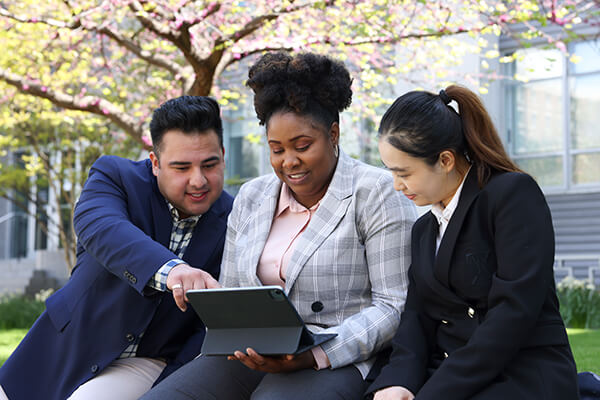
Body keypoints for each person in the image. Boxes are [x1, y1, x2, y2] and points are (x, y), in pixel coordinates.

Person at [141, 52, 417, 400]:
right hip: (250, 353)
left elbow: (394, 306)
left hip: (336, 354)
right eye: (276, 149)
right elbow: (234, 295)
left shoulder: (375, 192)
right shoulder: (252, 197)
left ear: (334, 133)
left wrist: (312, 355)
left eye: (303, 146)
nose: (289, 161)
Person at [0, 96, 234, 400]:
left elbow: (215, 323)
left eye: (210, 164)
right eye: (181, 167)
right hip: (63, 348)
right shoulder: (115, 177)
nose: (198, 180)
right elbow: (101, 227)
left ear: (224, 156)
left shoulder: (238, 218)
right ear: (155, 163)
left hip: (148, 361)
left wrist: (173, 383)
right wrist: (174, 271)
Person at [367, 85, 579, 399]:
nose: (397, 186)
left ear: (445, 160)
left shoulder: (511, 195)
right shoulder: (424, 229)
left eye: (404, 173)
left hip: (520, 370)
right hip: (450, 372)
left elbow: (513, 313)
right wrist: (398, 382)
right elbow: (416, 317)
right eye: (391, 173)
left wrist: (434, 394)